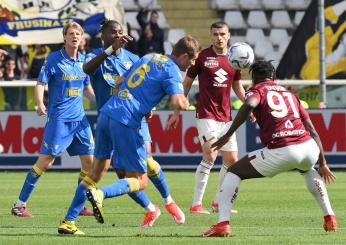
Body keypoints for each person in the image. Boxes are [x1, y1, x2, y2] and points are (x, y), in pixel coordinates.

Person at [58, 35, 201, 235]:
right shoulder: (172, 70)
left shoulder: (150, 57)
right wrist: (185, 106)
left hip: (108, 113)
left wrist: (142, 98)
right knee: (140, 181)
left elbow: (120, 81)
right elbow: (178, 101)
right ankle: (99, 194)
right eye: (193, 60)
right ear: (184, 56)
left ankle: (68, 222)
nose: (193, 64)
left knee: (96, 172)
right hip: (126, 120)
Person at [202, 60, 337, 237]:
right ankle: (330, 217)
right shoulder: (290, 94)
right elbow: (311, 129)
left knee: (234, 171)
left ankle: (222, 223)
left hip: (284, 149)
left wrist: (227, 135)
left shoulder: (257, 90)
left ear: (254, 78)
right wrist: (323, 162)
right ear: (273, 76)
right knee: (306, 169)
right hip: (309, 148)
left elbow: (249, 104)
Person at [82, 19, 185, 227]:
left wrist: (149, 107)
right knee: (125, 174)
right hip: (113, 117)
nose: (118, 35)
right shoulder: (95, 55)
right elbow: (87, 69)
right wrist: (111, 49)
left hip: (132, 119)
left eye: (121, 31)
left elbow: (133, 83)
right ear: (104, 35)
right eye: (113, 32)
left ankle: (168, 201)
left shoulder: (135, 58)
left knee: (146, 160)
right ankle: (150, 209)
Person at [11, 22, 96, 217]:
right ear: (64, 37)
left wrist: (101, 101)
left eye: (78, 34)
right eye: (71, 33)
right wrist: (40, 103)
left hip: (80, 120)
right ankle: (19, 204)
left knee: (90, 163)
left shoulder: (84, 62)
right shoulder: (54, 59)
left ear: (82, 39)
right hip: (59, 119)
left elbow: (87, 89)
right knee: (46, 161)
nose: (75, 36)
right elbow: (41, 83)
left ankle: (79, 205)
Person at [167, 21, 246, 214]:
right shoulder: (202, 57)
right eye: (215, 34)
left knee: (231, 159)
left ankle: (219, 202)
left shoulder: (234, 58)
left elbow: (237, 86)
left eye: (222, 34)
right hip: (206, 113)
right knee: (210, 154)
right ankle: (196, 204)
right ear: (211, 36)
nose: (219, 38)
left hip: (226, 117)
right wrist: (177, 112)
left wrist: (249, 106)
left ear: (228, 36)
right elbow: (185, 85)